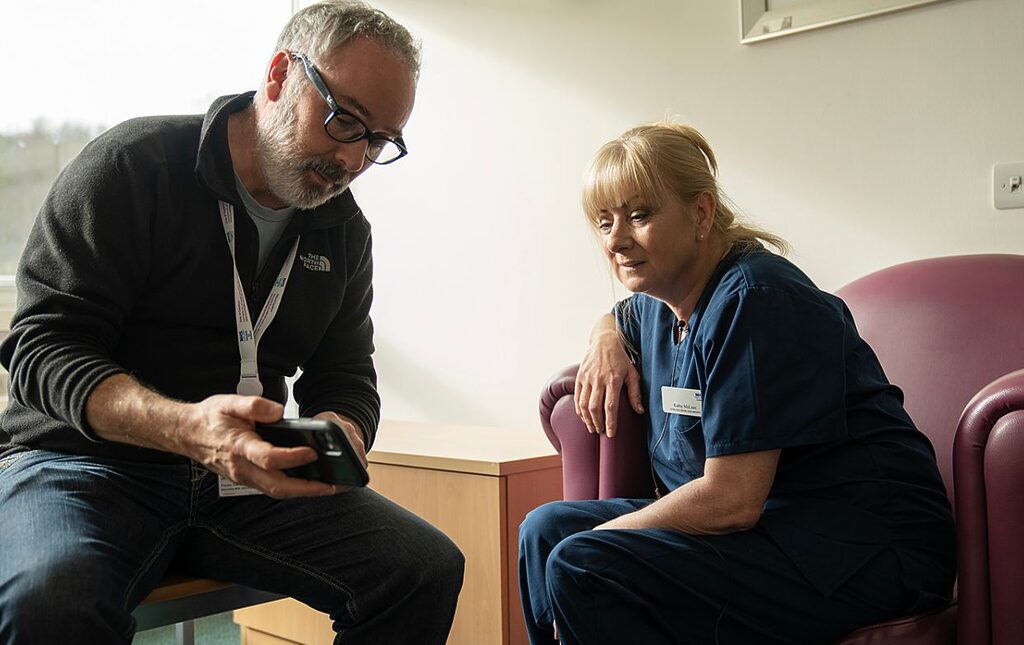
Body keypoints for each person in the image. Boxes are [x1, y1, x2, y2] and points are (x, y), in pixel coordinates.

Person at [0, 2, 464, 643]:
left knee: (425, 569)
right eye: (345, 120)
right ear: (279, 76)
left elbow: (347, 373)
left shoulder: (344, 229)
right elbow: (42, 349)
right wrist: (189, 428)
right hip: (83, 464)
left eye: (380, 141)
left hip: (243, 482)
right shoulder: (134, 166)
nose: (355, 160)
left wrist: (342, 431)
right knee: (54, 603)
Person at [518, 123, 955, 644]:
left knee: (583, 560)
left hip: (858, 546)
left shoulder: (756, 299)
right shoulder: (664, 302)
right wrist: (603, 341)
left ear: (701, 213)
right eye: (603, 221)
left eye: (640, 215)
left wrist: (603, 536)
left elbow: (731, 501)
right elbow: (619, 315)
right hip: (772, 532)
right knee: (543, 532)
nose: (615, 240)